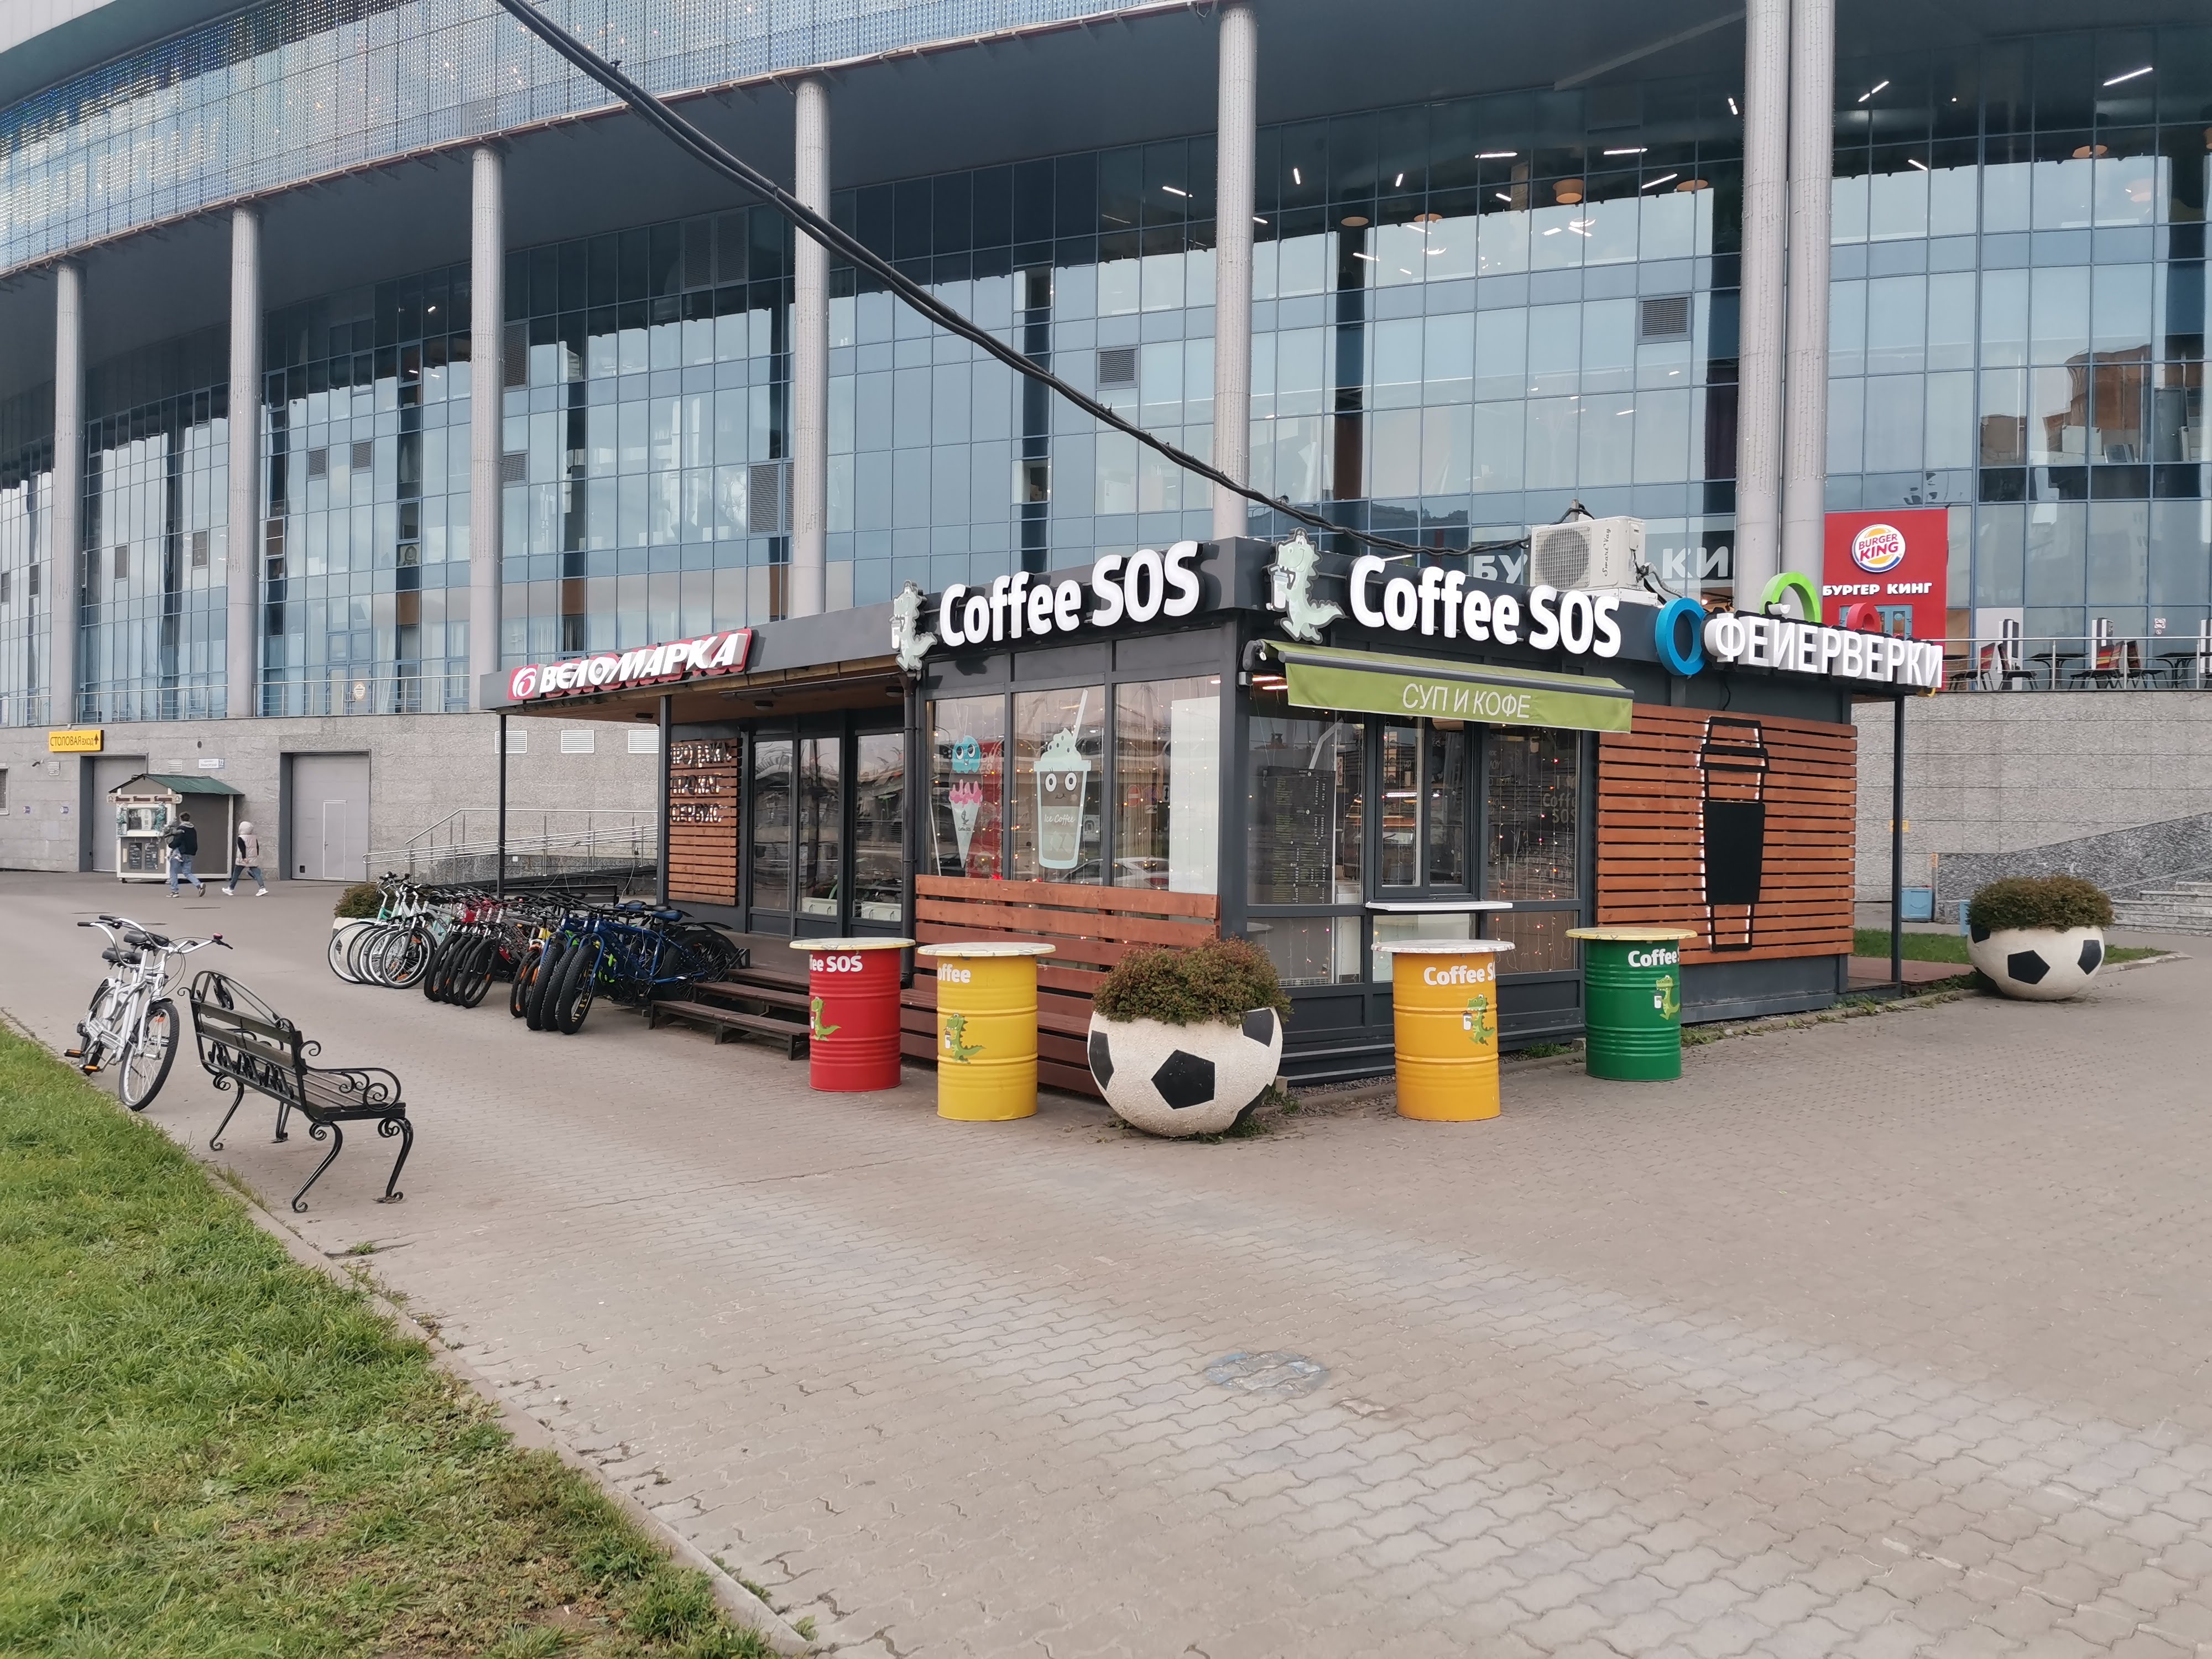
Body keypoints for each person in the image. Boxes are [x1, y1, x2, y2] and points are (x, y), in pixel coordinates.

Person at [166, 810, 207, 896]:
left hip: (179, 854)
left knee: (173, 871)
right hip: (190, 854)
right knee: (187, 872)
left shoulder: (181, 829)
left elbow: (177, 842)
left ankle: (175, 892)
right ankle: (199, 885)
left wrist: (171, 845)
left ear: (181, 819)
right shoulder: (193, 829)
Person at [225, 820, 268, 896]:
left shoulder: (241, 838)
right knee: (257, 874)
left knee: (236, 873)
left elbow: (242, 848)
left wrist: (244, 857)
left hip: (242, 859)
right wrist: (255, 856)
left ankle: (231, 888)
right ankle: (262, 888)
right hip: (252, 859)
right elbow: (257, 847)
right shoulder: (254, 837)